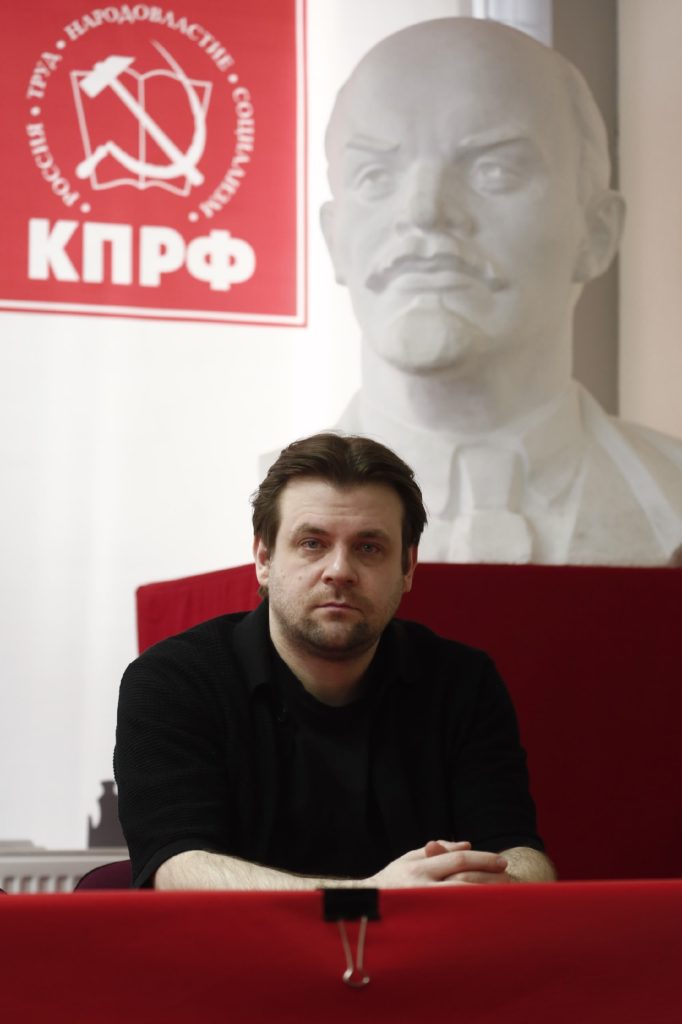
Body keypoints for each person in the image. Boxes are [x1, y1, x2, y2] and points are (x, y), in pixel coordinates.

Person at [115, 432, 555, 890]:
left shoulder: (463, 682)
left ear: (408, 567)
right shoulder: (173, 681)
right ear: (264, 558)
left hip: (426, 939)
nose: (340, 570)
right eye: (312, 543)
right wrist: (371, 897)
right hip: (239, 941)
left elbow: (521, 854)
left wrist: (500, 882)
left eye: (368, 547)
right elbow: (177, 869)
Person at [319, 17, 682, 565]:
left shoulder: (670, 495)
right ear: (333, 239)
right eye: (374, 176)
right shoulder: (259, 507)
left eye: (493, 170)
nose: (424, 210)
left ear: (597, 232)